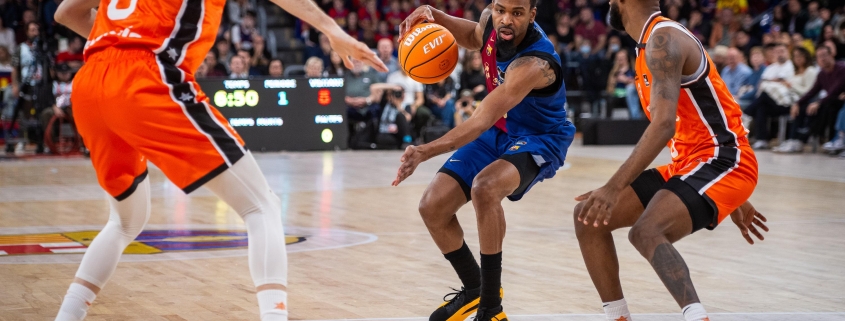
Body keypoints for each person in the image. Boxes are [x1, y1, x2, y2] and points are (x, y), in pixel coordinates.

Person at [52, 1, 387, 321]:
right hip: (145, 75)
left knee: (125, 222)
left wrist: (118, 39)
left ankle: (68, 313)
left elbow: (66, 13)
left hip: (91, 81)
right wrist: (332, 29)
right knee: (262, 206)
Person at [574, 2, 769, 321]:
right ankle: (618, 317)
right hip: (693, 164)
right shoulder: (646, 44)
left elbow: (664, 125)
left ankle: (697, 316)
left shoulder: (663, 40)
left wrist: (613, 187)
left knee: (646, 231)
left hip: (723, 159)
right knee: (588, 218)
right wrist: (738, 202)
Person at [395, 1, 575, 320]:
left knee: (486, 188)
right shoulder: (491, 22)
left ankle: (491, 308)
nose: (506, 20)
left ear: (532, 15)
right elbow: (475, 36)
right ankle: (474, 288)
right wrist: (435, 16)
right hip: (500, 130)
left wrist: (424, 150)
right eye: (500, 9)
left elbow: (479, 120)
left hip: (540, 137)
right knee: (432, 207)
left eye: (517, 13)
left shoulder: (534, 63)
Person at [781, 46, 845, 154]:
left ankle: (806, 136)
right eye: (819, 57)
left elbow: (835, 91)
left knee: (823, 107)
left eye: (825, 55)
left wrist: (818, 103)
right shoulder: (822, 74)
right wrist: (797, 103)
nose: (823, 59)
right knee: (802, 107)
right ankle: (795, 140)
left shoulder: (841, 69)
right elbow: (812, 92)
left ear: (831, 55)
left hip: (838, 101)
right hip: (830, 101)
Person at [749, 42, 794, 149]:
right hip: (770, 102)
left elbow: (783, 83)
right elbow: (762, 83)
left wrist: (771, 82)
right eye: (777, 52)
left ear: (787, 53)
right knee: (761, 108)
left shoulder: (790, 66)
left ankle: (747, 112)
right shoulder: (771, 68)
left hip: (785, 103)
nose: (780, 54)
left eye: (782, 51)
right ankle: (762, 140)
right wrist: (773, 81)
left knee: (764, 95)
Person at [605, 49, 641, 119]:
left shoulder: (633, 70)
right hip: (617, 93)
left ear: (627, 58)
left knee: (630, 89)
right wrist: (614, 81)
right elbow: (609, 86)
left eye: (622, 57)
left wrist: (626, 80)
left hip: (630, 93)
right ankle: (608, 120)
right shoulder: (614, 71)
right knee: (608, 98)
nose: (620, 59)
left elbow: (638, 83)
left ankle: (635, 118)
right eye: (618, 57)